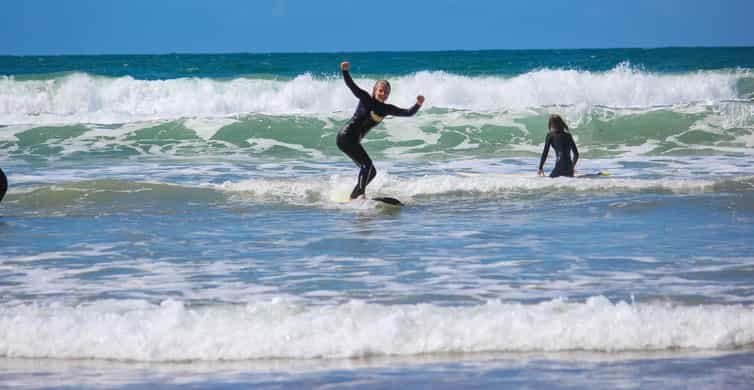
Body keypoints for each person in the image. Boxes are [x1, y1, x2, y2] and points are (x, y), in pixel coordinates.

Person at [337, 61, 424, 200]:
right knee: (367, 166)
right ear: (375, 90)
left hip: (353, 140)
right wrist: (345, 71)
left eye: (386, 92)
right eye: (381, 91)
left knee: (371, 172)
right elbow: (351, 86)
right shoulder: (365, 98)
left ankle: (354, 196)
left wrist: (418, 104)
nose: (383, 94)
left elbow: (407, 113)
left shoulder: (386, 109)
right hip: (346, 136)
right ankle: (359, 195)